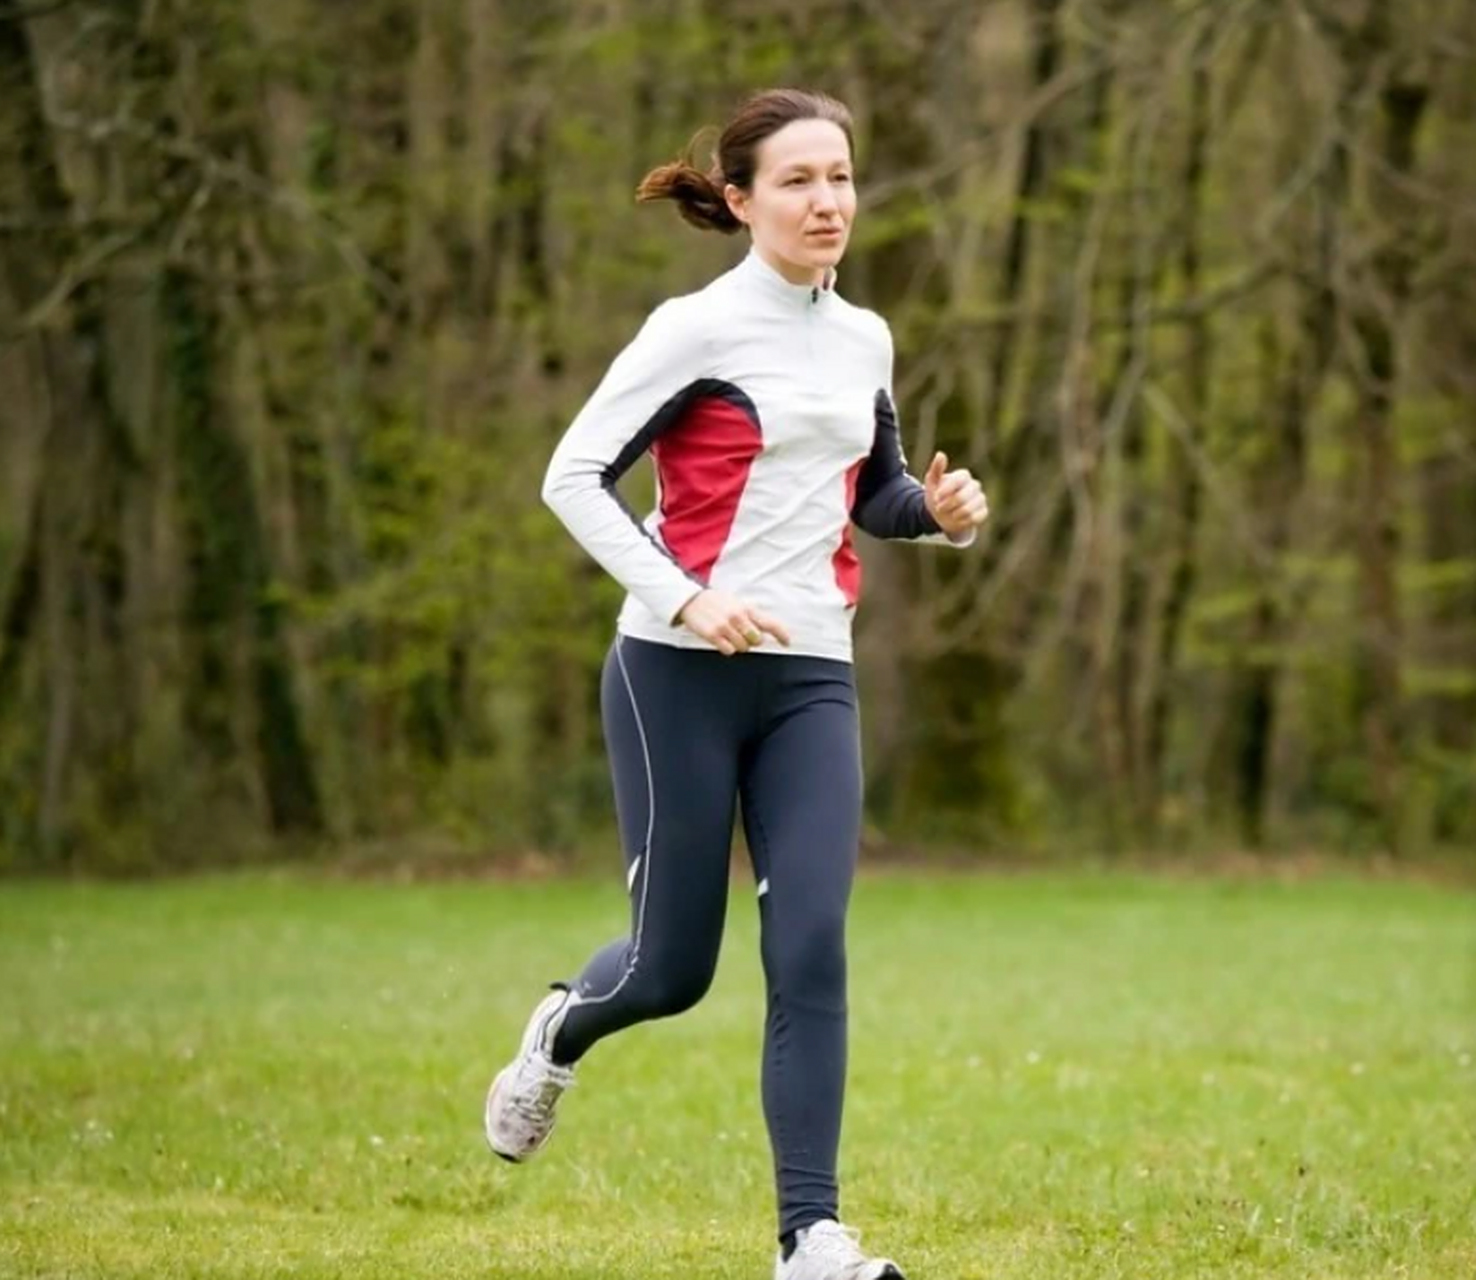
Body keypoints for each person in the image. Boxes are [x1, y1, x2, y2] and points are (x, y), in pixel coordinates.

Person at [484, 87, 989, 1280]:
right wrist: (684, 596)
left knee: (811, 942)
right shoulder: (692, 330)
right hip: (678, 673)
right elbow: (572, 475)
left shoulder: (864, 336)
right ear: (745, 196)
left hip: (813, 672)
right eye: (802, 180)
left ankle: (810, 1235)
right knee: (672, 969)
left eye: (844, 177)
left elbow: (872, 491)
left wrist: (940, 513)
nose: (830, 201)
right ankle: (562, 1023)